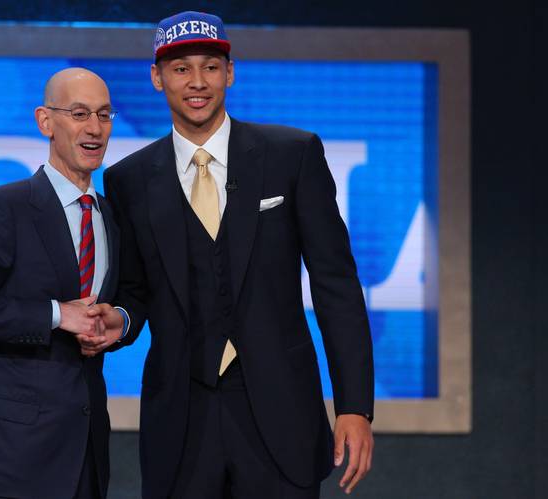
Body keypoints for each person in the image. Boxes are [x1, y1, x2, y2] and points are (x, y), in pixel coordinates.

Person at [89, 11, 375, 499]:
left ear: (230, 73)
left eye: (210, 67)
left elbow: (336, 285)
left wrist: (354, 407)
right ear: (157, 78)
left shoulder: (292, 155)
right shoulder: (128, 180)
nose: (197, 82)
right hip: (181, 420)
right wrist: (119, 319)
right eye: (181, 69)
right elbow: (135, 292)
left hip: (281, 414)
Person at [0, 68, 125, 499]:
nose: (94, 128)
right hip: (10, 460)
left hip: (85, 457)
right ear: (45, 122)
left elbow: (128, 300)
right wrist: (58, 315)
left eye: (104, 115)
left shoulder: (112, 216)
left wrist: (120, 322)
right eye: (79, 114)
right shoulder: (6, 206)